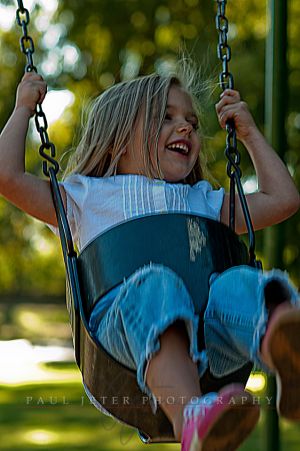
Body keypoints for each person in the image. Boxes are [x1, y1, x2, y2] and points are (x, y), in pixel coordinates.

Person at [0, 68, 299, 451]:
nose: (186, 128)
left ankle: (284, 346)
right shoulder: (85, 197)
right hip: (125, 337)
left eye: (191, 121)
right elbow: (8, 177)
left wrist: (250, 135)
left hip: (210, 339)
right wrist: (24, 108)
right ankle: (192, 417)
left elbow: (283, 200)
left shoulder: (202, 200)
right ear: (117, 141)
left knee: (236, 282)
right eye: (167, 117)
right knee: (156, 282)